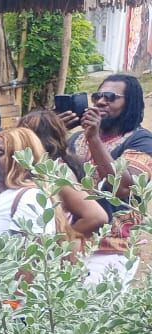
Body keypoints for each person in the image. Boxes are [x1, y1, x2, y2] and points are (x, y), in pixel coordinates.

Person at [66, 74, 151, 286]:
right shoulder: (76, 139)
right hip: (71, 243)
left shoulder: (140, 140)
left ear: (130, 103)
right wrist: (53, 133)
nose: (102, 101)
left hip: (111, 249)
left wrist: (94, 139)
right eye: (98, 96)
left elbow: (122, 187)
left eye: (111, 97)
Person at [18, 110, 109, 238]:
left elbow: (95, 217)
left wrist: (61, 243)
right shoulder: (55, 163)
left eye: (21, 135)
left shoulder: (56, 172)